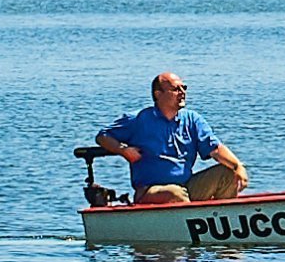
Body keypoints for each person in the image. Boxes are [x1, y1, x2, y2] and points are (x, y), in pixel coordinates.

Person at [99, 71, 247, 205]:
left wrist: (237, 167)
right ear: (158, 94)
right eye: (176, 89)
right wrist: (123, 150)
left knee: (228, 173)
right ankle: (189, 226)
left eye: (184, 88)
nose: (182, 93)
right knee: (174, 193)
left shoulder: (192, 120)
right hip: (151, 191)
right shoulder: (138, 119)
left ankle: (220, 224)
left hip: (186, 187)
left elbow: (215, 149)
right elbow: (103, 136)